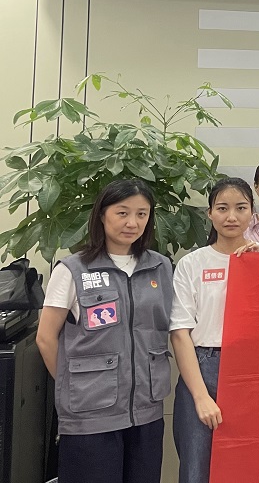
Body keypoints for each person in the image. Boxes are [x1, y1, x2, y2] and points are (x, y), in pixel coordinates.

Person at [36, 179, 174, 483]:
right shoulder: (73, 269)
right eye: (122, 213)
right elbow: (45, 338)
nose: (132, 223)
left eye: (141, 214)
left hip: (147, 409)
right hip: (90, 415)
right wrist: (76, 384)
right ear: (102, 214)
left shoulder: (160, 267)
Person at [170, 178, 259, 483]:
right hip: (203, 368)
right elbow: (179, 333)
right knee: (196, 467)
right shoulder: (191, 264)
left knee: (252, 465)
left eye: (240, 208)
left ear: (252, 213)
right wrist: (200, 396)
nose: (231, 216)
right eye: (222, 208)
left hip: (255, 370)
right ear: (210, 213)